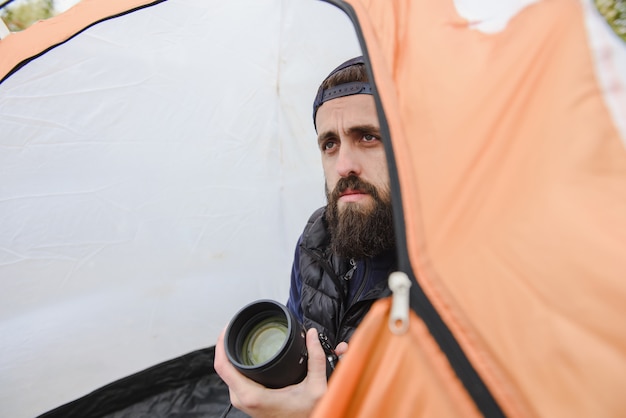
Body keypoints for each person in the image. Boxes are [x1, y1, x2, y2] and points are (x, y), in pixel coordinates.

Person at [214, 56, 397, 418]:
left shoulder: (454, 272)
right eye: (330, 144)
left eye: (368, 137)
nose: (344, 165)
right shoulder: (319, 239)